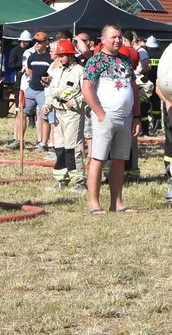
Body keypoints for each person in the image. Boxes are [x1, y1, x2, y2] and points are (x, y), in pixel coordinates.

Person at [82, 24, 140, 214]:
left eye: (119, 37)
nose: (117, 40)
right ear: (103, 40)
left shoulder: (126, 60)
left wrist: (137, 116)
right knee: (97, 159)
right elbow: (86, 89)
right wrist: (99, 113)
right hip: (105, 116)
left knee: (119, 160)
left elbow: (133, 89)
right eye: (113, 37)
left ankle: (117, 202)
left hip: (126, 117)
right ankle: (94, 203)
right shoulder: (95, 61)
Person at [45, 39, 86, 190]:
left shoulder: (80, 72)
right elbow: (51, 91)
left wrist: (74, 103)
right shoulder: (56, 72)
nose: (59, 59)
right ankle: (62, 179)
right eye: (58, 56)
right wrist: (47, 105)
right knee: (60, 147)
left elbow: (87, 93)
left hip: (72, 114)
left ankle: (79, 181)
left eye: (62, 56)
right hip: (58, 113)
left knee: (72, 148)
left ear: (71, 55)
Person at [25, 32, 53, 151]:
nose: (37, 44)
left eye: (40, 42)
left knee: (45, 117)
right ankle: (18, 140)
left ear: (46, 43)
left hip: (44, 91)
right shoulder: (31, 56)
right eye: (36, 41)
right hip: (31, 88)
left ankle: (44, 143)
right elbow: (29, 71)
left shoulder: (50, 57)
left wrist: (48, 80)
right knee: (22, 113)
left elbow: (53, 74)